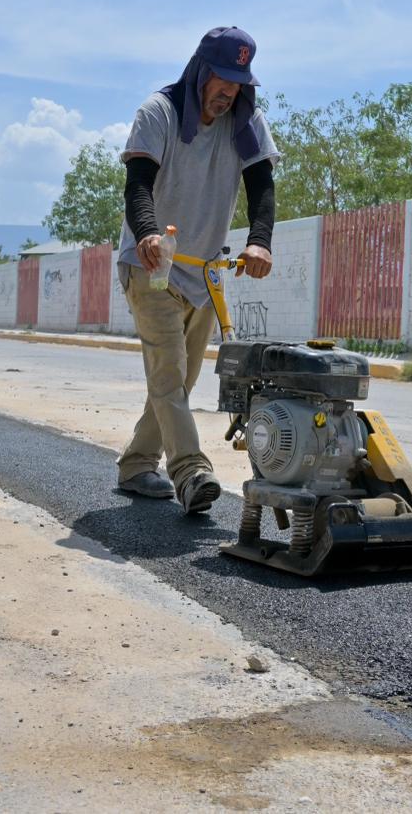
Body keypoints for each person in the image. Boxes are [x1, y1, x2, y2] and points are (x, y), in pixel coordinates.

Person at [115, 26, 279, 514]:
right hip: (153, 264)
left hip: (205, 272)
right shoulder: (159, 112)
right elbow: (137, 184)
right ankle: (190, 472)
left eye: (238, 83)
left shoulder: (247, 122)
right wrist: (146, 233)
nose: (228, 92)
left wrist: (260, 241)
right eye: (222, 80)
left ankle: (136, 463)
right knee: (169, 373)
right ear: (201, 72)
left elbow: (262, 185)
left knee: (179, 382)